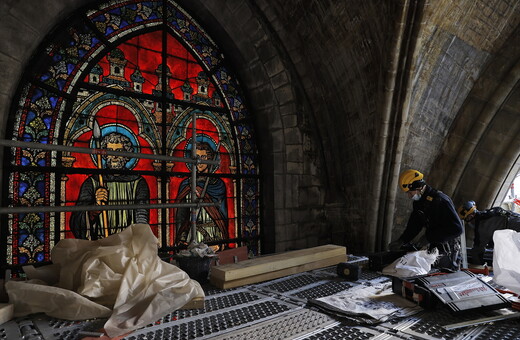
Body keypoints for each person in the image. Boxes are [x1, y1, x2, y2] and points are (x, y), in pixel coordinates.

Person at [70, 131, 150, 239]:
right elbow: (77, 222)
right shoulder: (93, 182)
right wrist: (95, 207)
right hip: (100, 243)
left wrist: (139, 240)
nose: (114, 156)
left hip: (128, 244)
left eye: (119, 151)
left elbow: (141, 217)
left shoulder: (138, 183)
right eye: (110, 151)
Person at [388, 169, 463, 271]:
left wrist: (429, 237)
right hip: (434, 246)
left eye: (410, 192)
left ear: (419, 187)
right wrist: (402, 240)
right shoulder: (419, 203)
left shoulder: (440, 200)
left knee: (443, 275)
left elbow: (457, 229)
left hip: (447, 248)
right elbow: (414, 225)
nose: (409, 196)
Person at [174, 141, 228, 247]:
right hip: (193, 234)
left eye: (203, 156)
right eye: (197, 157)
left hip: (214, 234)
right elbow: (182, 216)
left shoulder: (218, 184)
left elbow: (222, 214)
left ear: (210, 159)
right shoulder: (187, 184)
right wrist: (182, 237)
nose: (199, 161)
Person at [458, 200, 520, 265]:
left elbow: (478, 250)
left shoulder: (482, 227)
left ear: (469, 217)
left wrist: (478, 266)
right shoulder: (491, 212)